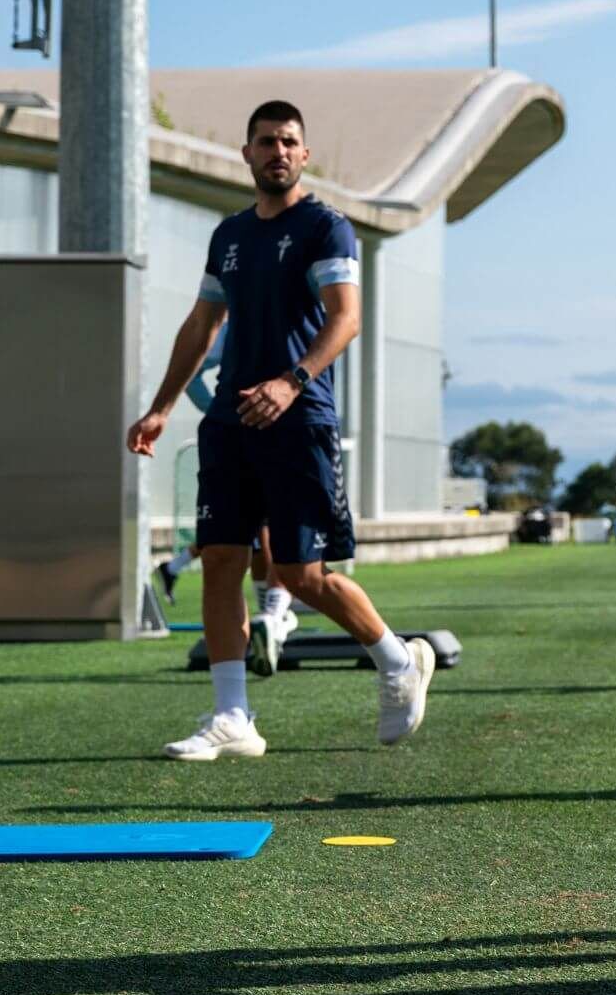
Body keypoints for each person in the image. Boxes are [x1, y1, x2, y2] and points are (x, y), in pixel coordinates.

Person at [127, 99, 436, 761]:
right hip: (230, 426)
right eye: (265, 141)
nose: (277, 151)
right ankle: (233, 716)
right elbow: (201, 325)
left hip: (300, 421)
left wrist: (291, 380)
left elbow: (345, 318)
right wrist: (160, 405)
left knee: (300, 573)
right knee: (220, 562)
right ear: (247, 153)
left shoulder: (327, 228)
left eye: (289, 141)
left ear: (304, 153)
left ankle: (398, 660)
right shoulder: (230, 235)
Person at [154, 323, 300, 676]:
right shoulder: (249, 315)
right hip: (270, 437)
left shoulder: (252, 310)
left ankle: (271, 616)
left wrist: (222, 410)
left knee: (249, 539)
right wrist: (227, 410)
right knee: (271, 538)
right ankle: (274, 616)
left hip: (246, 436)